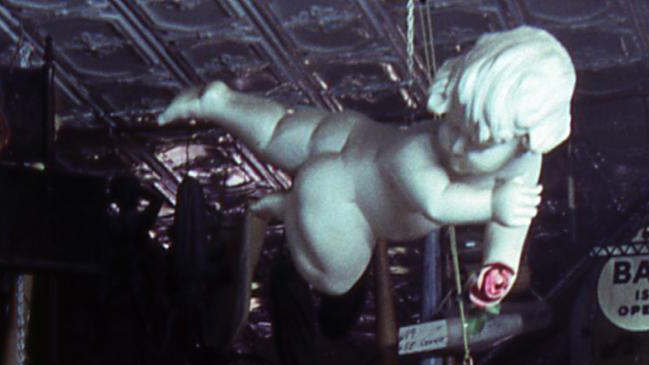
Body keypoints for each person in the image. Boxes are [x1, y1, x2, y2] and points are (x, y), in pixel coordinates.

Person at [159, 26, 575, 306]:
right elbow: (438, 202)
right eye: (451, 125)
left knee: (281, 131)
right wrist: (492, 204)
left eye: (478, 142)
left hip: (350, 140)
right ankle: (232, 123)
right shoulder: (417, 150)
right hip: (341, 197)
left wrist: (500, 264)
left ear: (526, 140)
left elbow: (512, 222)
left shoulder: (524, 162)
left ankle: (226, 109)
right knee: (334, 280)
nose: (457, 145)